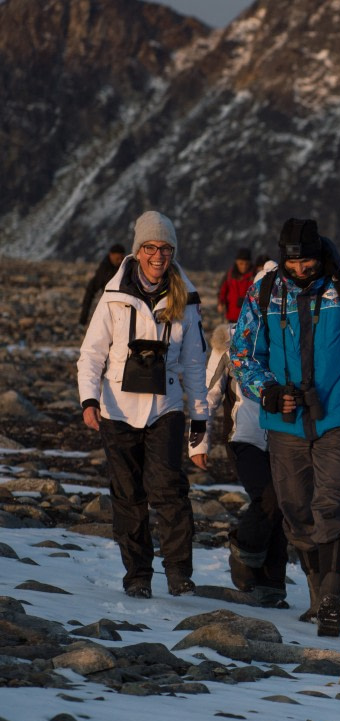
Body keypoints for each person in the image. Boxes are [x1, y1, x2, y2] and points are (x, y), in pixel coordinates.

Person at [231, 218, 340, 637]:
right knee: (295, 508)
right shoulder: (264, 291)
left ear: (321, 254)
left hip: (339, 415)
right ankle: (317, 593)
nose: (302, 268)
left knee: (331, 504)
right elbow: (243, 353)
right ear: (283, 256)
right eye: (294, 261)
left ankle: (332, 597)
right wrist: (266, 390)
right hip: (284, 421)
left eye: (309, 261)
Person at [76, 211, 208, 599]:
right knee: (128, 495)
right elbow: (92, 353)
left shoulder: (187, 297)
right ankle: (137, 576)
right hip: (116, 409)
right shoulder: (114, 298)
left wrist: (200, 419)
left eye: (166, 249)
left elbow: (196, 363)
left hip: (164, 407)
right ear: (138, 251)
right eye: (150, 247)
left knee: (169, 490)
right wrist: (88, 399)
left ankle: (179, 572)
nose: (158, 256)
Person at [199, 304, 290, 608]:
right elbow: (209, 392)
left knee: (282, 506)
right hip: (244, 436)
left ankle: (273, 585)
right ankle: (244, 553)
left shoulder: (296, 336)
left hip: (287, 437)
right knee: (269, 498)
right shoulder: (232, 339)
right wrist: (199, 441)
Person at [79, 244, 126, 326]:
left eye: (122, 258)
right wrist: (84, 316)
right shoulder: (103, 271)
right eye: (117, 258)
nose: (120, 261)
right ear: (111, 255)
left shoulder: (126, 267)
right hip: (110, 307)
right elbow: (90, 291)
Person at [217, 248, 256, 322]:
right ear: (236, 262)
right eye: (241, 263)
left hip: (249, 316)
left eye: (246, 264)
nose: (244, 266)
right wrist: (221, 303)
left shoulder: (255, 276)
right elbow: (222, 291)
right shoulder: (229, 275)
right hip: (232, 315)